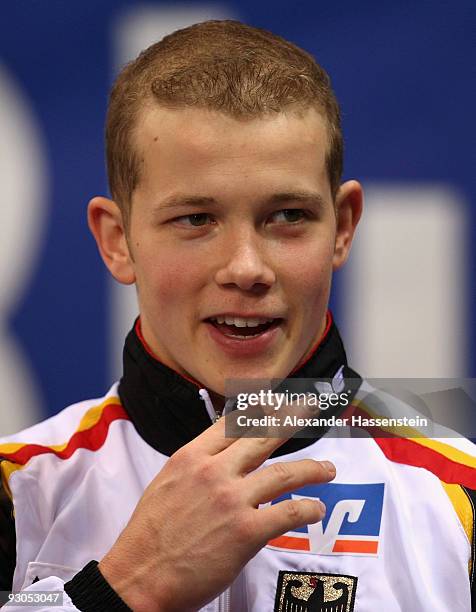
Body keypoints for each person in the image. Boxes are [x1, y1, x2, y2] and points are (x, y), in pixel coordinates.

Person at [0, 19, 474, 612]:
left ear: (344, 225)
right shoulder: (16, 491)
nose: (247, 268)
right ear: (117, 239)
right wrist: (124, 588)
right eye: (196, 219)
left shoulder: (461, 493)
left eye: (287, 216)